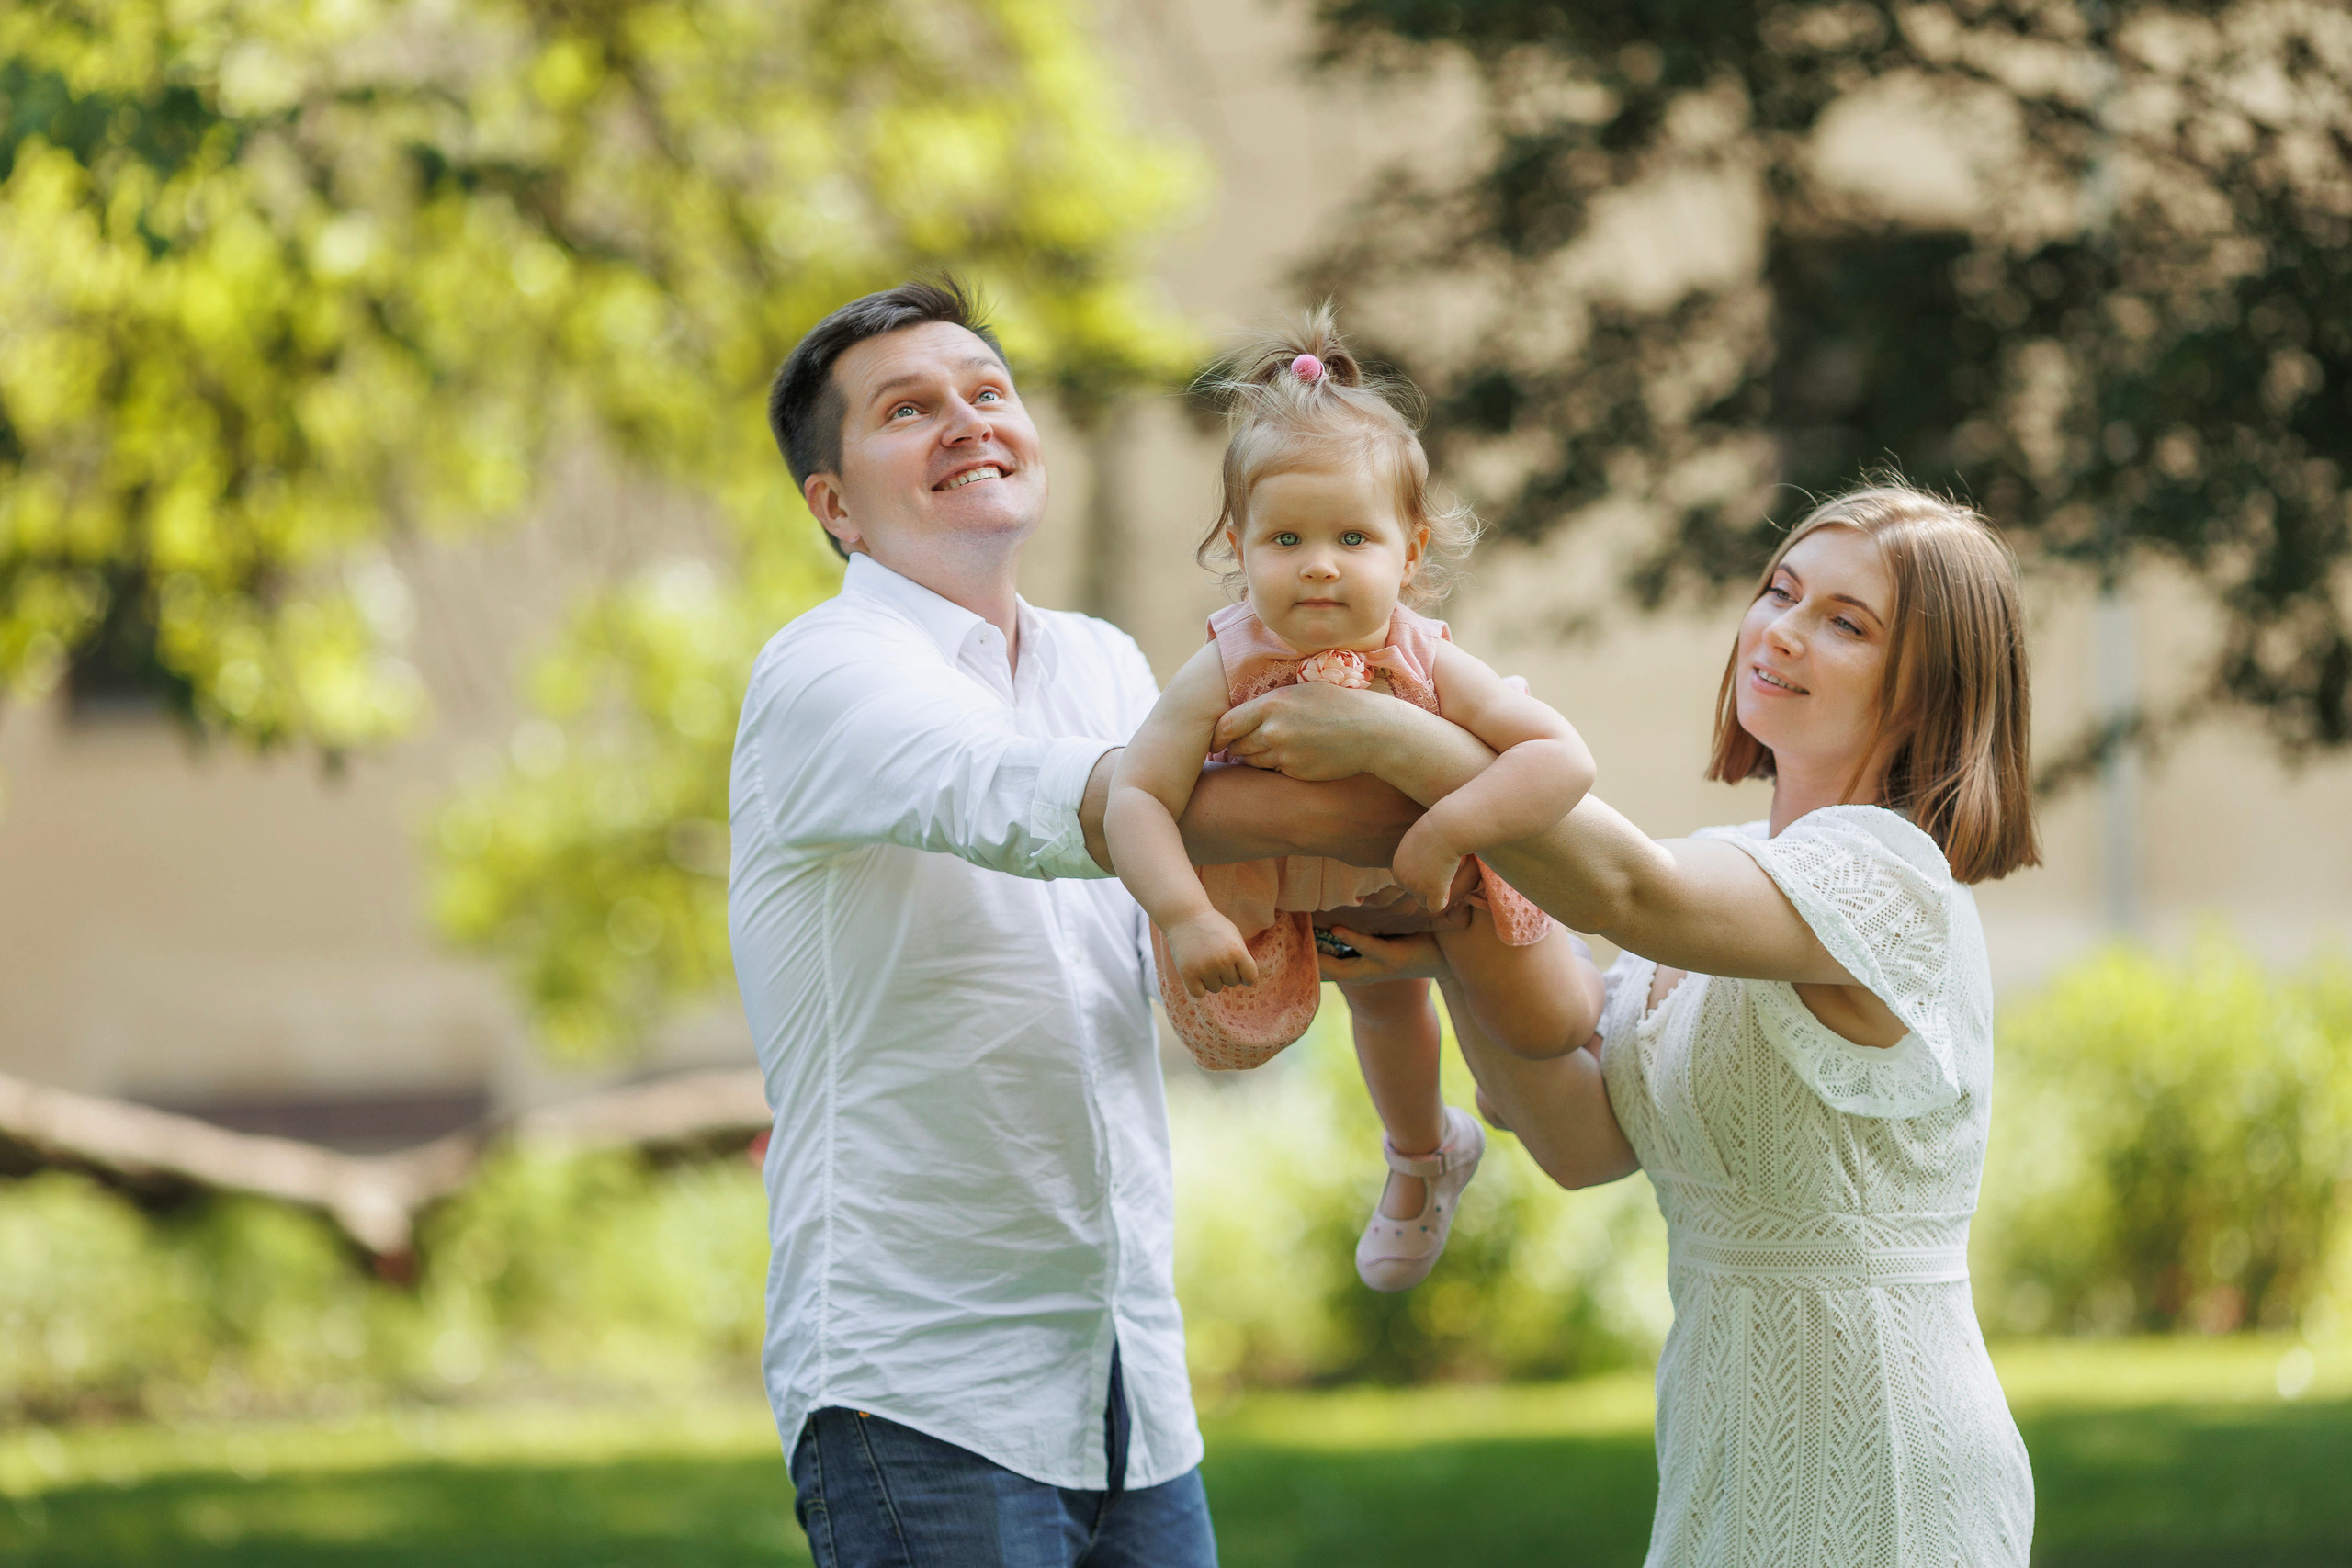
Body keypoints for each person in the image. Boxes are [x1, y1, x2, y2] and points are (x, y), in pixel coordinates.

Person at [1216, 485, 2041, 1565]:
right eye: (1779, 592)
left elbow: (1626, 890)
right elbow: (1573, 1139)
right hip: (1721, 1457)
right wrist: (1459, 934)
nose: (1781, 630)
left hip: (1888, 1475)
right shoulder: (1726, 875)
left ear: (1933, 690)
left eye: (1845, 622)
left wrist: (1402, 736)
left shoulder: (1890, 882)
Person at [730, 276, 1414, 1567]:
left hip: (1130, 1384)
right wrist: (1413, 766)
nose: (967, 421)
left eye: (988, 392)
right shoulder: (823, 672)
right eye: (907, 409)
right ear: (833, 503)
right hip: (923, 1380)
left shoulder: (1100, 662)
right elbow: (1014, 793)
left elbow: (1187, 912)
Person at [1105, 309, 1603, 1292]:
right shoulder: (1225, 664)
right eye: (1284, 538)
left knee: (1536, 1020)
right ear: (1237, 546)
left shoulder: (1425, 657)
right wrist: (1181, 909)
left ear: (1409, 553)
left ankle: (1517, 1074)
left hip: (1438, 888)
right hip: (1324, 910)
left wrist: (1456, 826)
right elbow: (1135, 796)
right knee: (1383, 1010)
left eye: (1352, 538)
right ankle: (1420, 1157)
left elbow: (1563, 762)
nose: (1319, 563)